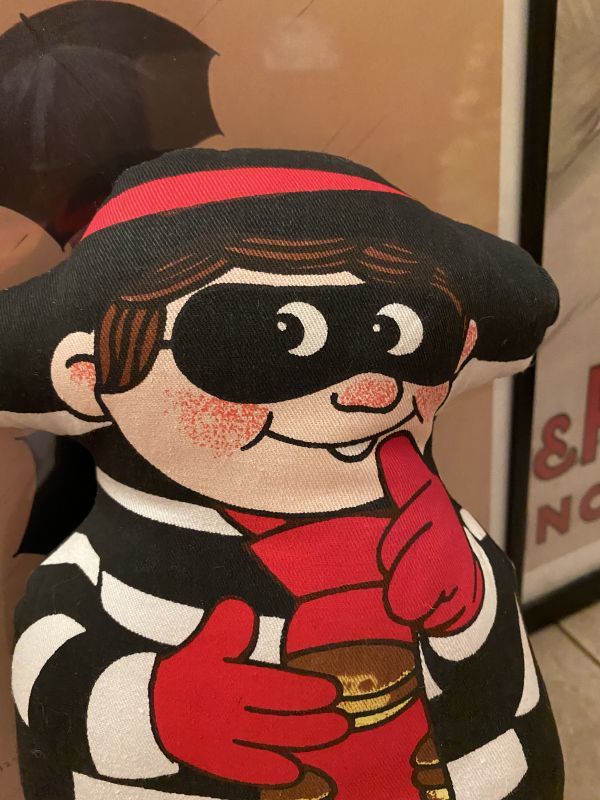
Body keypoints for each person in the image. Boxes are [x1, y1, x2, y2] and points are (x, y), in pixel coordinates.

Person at [2, 148, 563, 800]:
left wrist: (469, 614)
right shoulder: (96, 577)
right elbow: (50, 672)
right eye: (278, 339)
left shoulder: (437, 537)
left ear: (459, 345)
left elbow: (500, 694)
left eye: (398, 336)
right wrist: (152, 710)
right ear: (85, 375)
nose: (370, 393)